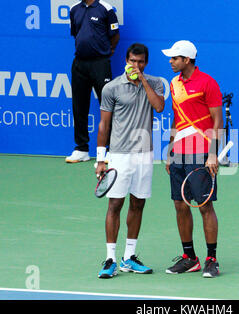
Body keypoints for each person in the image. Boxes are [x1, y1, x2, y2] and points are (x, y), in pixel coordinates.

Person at [95, 43, 165, 278]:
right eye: (132, 61)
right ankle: (110, 259)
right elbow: (104, 125)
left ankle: (129, 258)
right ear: (126, 60)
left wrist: (143, 80)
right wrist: (101, 159)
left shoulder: (155, 83)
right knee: (115, 205)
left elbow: (159, 107)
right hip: (119, 155)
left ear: (146, 62)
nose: (136, 65)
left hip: (144, 154)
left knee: (138, 204)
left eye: (141, 61)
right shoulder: (111, 88)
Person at [162, 40, 223, 278]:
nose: (170, 61)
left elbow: (217, 121)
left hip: (201, 152)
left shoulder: (208, 83)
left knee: (204, 206)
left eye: (174, 58)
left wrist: (213, 153)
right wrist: (169, 152)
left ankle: (211, 259)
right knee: (179, 204)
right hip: (179, 151)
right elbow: (177, 120)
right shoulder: (174, 83)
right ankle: (190, 257)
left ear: (186, 60)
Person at [66, 0, 120, 163]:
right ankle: (81, 149)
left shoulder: (106, 8)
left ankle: (111, 150)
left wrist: (105, 53)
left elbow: (115, 35)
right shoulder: (74, 9)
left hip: (100, 63)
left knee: (108, 106)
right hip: (79, 63)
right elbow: (76, 33)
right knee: (79, 106)